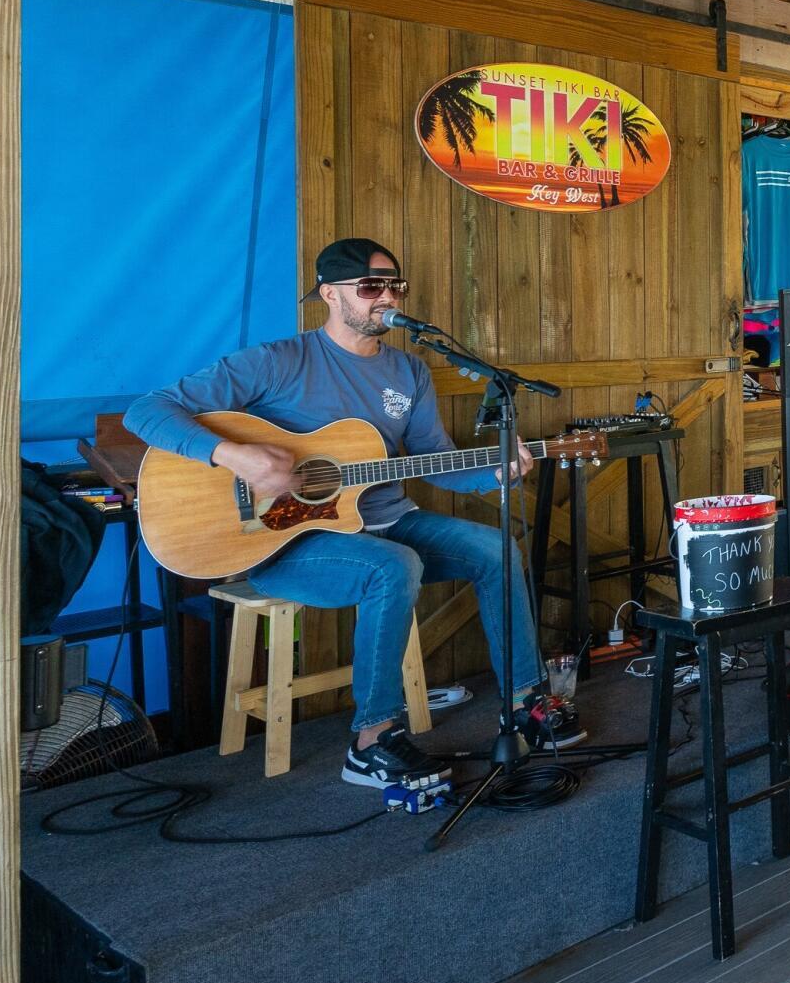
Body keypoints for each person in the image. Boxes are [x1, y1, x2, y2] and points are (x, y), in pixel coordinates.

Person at [128, 237, 582, 791]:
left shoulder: (408, 373)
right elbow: (146, 410)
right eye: (371, 287)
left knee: (495, 549)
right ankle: (372, 742)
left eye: (394, 286)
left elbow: (434, 462)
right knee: (391, 567)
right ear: (330, 293)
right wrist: (237, 455)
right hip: (282, 542)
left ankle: (525, 704)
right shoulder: (278, 361)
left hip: (386, 520)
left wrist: (496, 469)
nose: (385, 297)